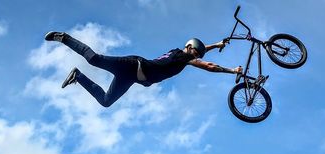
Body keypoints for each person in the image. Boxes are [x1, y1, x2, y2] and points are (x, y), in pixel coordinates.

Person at [44, 31, 242, 107]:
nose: (195, 57)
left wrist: (215, 45)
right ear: (189, 49)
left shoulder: (182, 53)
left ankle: (77, 76)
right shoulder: (183, 57)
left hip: (132, 77)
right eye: (195, 55)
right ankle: (65, 38)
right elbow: (208, 65)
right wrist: (232, 71)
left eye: (196, 55)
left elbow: (200, 49)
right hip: (133, 65)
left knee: (106, 101)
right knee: (94, 59)